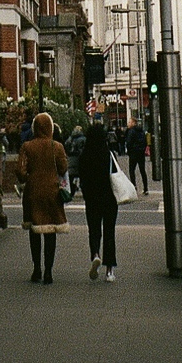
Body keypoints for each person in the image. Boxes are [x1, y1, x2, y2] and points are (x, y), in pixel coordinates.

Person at [16, 111, 68, 284]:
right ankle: (48, 272)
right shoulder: (57, 146)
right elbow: (63, 168)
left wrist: (28, 178)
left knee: (34, 230)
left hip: (33, 191)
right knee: (50, 231)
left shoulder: (27, 146)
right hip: (52, 192)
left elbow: (21, 171)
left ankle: (36, 269)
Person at [79, 120, 119, 282]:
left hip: (92, 198)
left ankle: (96, 254)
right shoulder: (108, 154)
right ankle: (109, 270)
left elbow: (81, 177)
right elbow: (115, 175)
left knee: (94, 230)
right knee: (109, 232)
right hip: (109, 198)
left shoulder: (85, 155)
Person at [126, 118, 148, 194]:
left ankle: (134, 186)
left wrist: (129, 151)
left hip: (133, 153)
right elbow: (145, 142)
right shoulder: (141, 131)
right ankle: (146, 188)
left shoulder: (131, 131)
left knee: (132, 170)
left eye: (129, 122)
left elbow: (129, 142)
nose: (128, 124)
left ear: (133, 123)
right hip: (141, 153)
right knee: (142, 170)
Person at [65, 123, 86, 196]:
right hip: (79, 159)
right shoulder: (83, 139)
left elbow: (66, 146)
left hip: (70, 159)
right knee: (82, 176)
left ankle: (71, 191)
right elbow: (83, 150)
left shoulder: (70, 139)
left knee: (71, 176)